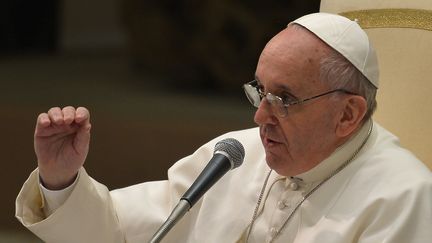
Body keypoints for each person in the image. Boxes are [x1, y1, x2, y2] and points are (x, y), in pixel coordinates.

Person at [16, 13, 432, 243]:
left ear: (348, 115)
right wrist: (61, 178)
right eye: (259, 92)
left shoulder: (402, 198)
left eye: (283, 100)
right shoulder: (235, 155)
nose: (259, 118)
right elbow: (121, 232)